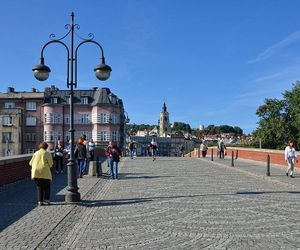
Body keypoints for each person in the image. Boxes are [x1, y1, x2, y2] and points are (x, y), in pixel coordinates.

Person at [29, 142, 53, 206]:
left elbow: (30, 163)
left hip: (36, 173)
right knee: (47, 187)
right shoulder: (47, 153)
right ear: (46, 147)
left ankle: (40, 201)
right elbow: (51, 164)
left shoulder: (35, 153)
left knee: (39, 187)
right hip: (45, 173)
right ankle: (47, 200)